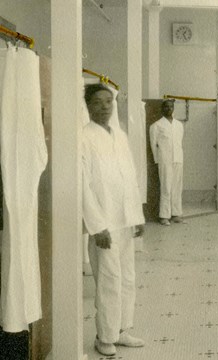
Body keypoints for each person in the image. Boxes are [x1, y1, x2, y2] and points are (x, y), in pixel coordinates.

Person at [82, 84, 146, 356]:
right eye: (98, 102)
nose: (105, 106)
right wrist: (97, 226)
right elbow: (83, 185)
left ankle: (121, 331)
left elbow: (130, 177)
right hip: (104, 224)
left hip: (125, 220)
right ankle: (104, 337)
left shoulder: (120, 136)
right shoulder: (83, 137)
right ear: (88, 106)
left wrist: (137, 215)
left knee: (127, 278)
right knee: (109, 280)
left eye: (109, 101)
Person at [149, 99, 185, 226]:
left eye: (171, 106)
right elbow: (153, 145)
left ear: (173, 108)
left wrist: (179, 157)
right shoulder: (156, 126)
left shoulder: (179, 125)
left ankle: (176, 214)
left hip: (178, 159)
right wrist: (157, 160)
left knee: (177, 187)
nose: (169, 109)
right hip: (165, 160)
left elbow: (179, 142)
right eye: (166, 107)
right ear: (162, 109)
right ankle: (164, 216)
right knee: (166, 187)